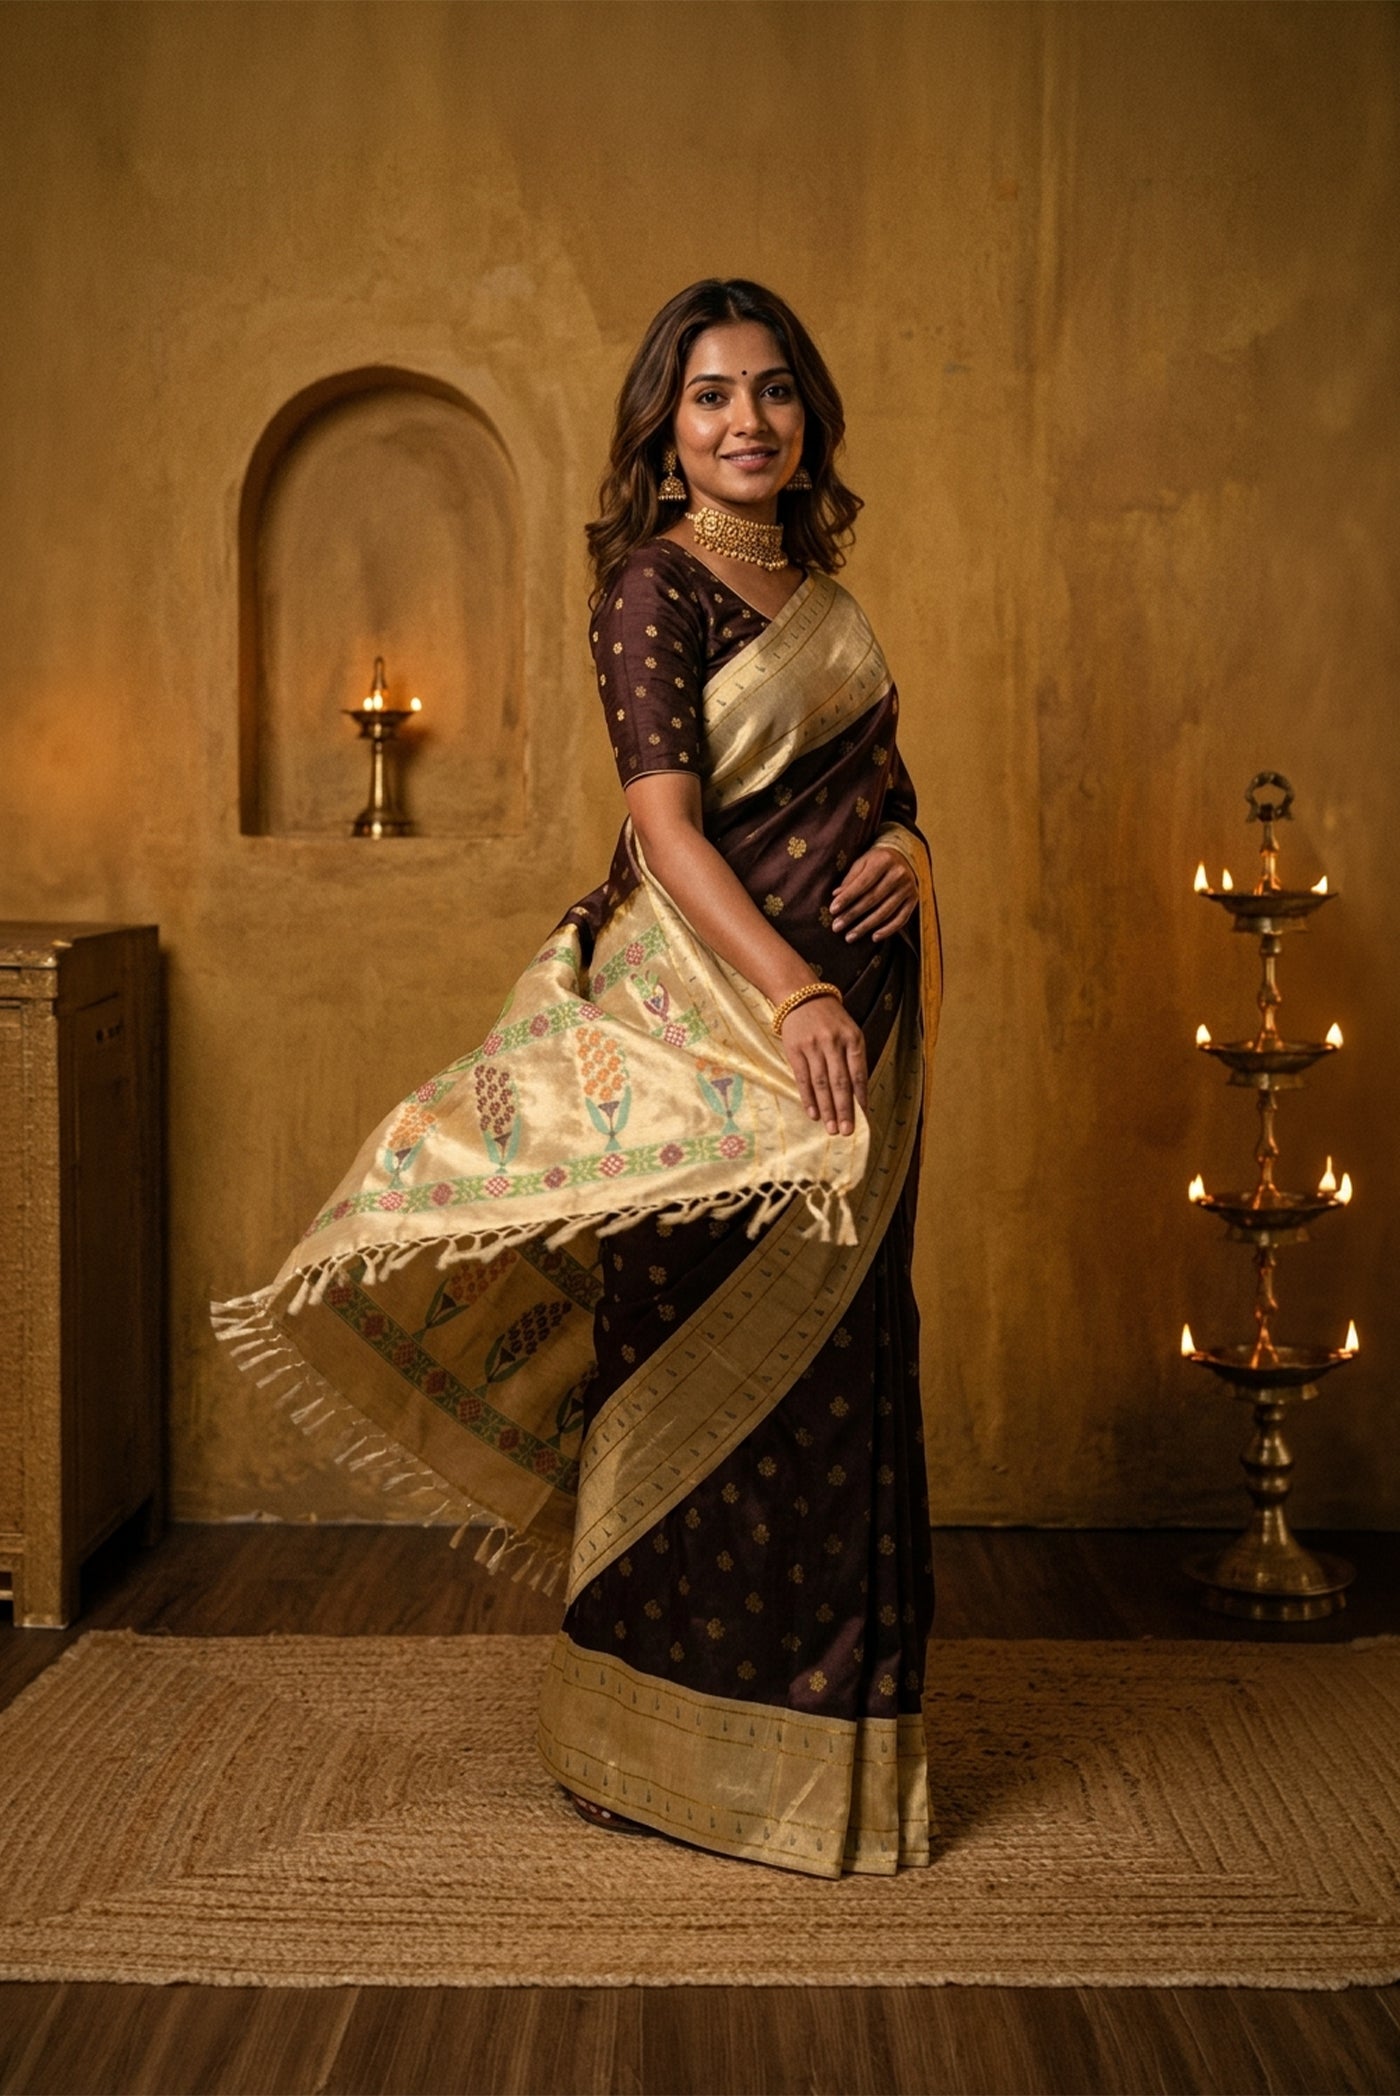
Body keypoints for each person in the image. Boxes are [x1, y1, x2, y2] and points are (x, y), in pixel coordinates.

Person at [214, 278, 941, 1881]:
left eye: (771, 390)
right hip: (718, 1039)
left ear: (806, 412)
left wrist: (905, 847)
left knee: (841, 1378)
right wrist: (801, 983)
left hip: (854, 1031)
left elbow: (874, 788)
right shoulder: (649, 589)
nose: (747, 420)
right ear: (663, 429)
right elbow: (668, 831)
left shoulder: (822, 594)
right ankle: (647, 1742)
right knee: (679, 1358)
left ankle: (823, 1755)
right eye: (709, 396)